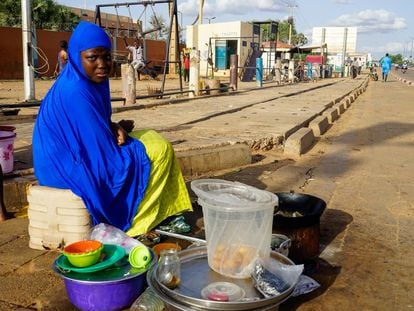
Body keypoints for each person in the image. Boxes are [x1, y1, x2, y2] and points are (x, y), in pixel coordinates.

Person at [32, 21, 192, 237]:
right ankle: (138, 222)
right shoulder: (76, 91)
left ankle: (158, 210)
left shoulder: (86, 81)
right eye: (92, 57)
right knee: (159, 149)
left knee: (151, 140)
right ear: (76, 57)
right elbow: (102, 156)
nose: (102, 64)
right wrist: (120, 139)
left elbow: (91, 127)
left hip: (71, 157)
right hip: (63, 170)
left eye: (106, 56)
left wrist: (112, 126)